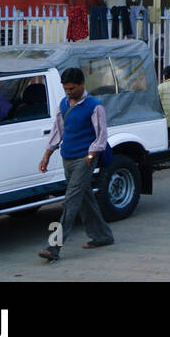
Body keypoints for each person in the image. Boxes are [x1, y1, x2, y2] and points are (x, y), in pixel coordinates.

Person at [37, 67, 114, 260]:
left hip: (85, 159)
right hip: (67, 157)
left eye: (72, 88)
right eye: (66, 89)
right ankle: (102, 236)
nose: (69, 92)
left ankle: (54, 247)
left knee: (71, 200)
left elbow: (101, 136)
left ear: (82, 84)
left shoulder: (95, 106)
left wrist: (90, 156)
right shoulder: (63, 104)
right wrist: (47, 155)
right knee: (84, 198)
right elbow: (58, 131)